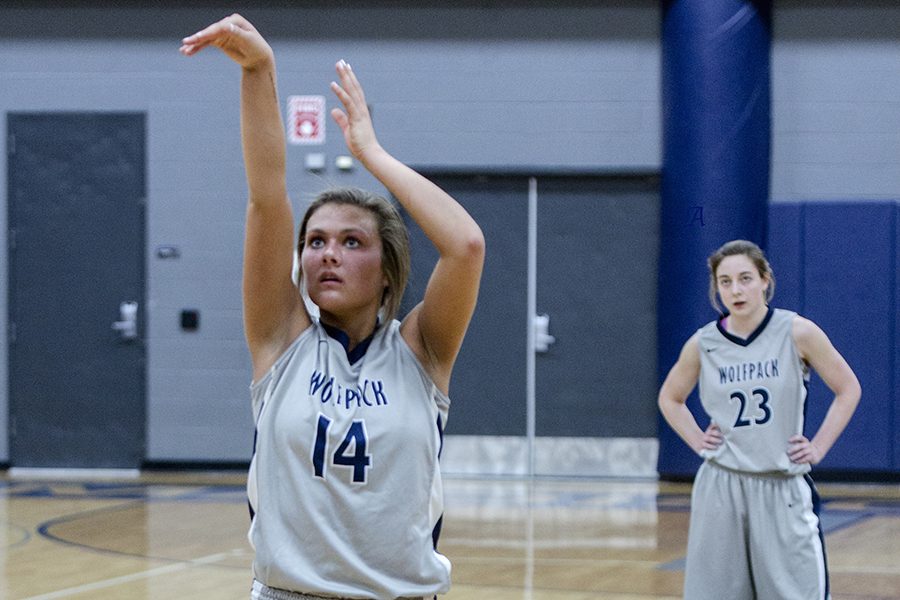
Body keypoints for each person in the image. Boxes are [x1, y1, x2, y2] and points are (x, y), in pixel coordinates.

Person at [180, 14, 485, 600]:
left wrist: (369, 152)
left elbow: (466, 245)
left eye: (352, 242)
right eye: (316, 241)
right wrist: (258, 70)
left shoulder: (422, 352)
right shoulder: (282, 340)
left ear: (387, 267)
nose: (328, 254)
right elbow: (267, 198)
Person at [658, 239, 860, 600]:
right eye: (725, 281)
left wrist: (818, 446)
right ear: (716, 288)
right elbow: (670, 398)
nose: (736, 290)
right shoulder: (703, 343)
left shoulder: (797, 332)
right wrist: (697, 439)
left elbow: (848, 388)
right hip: (721, 486)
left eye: (745, 278)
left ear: (766, 280)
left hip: (779, 484)